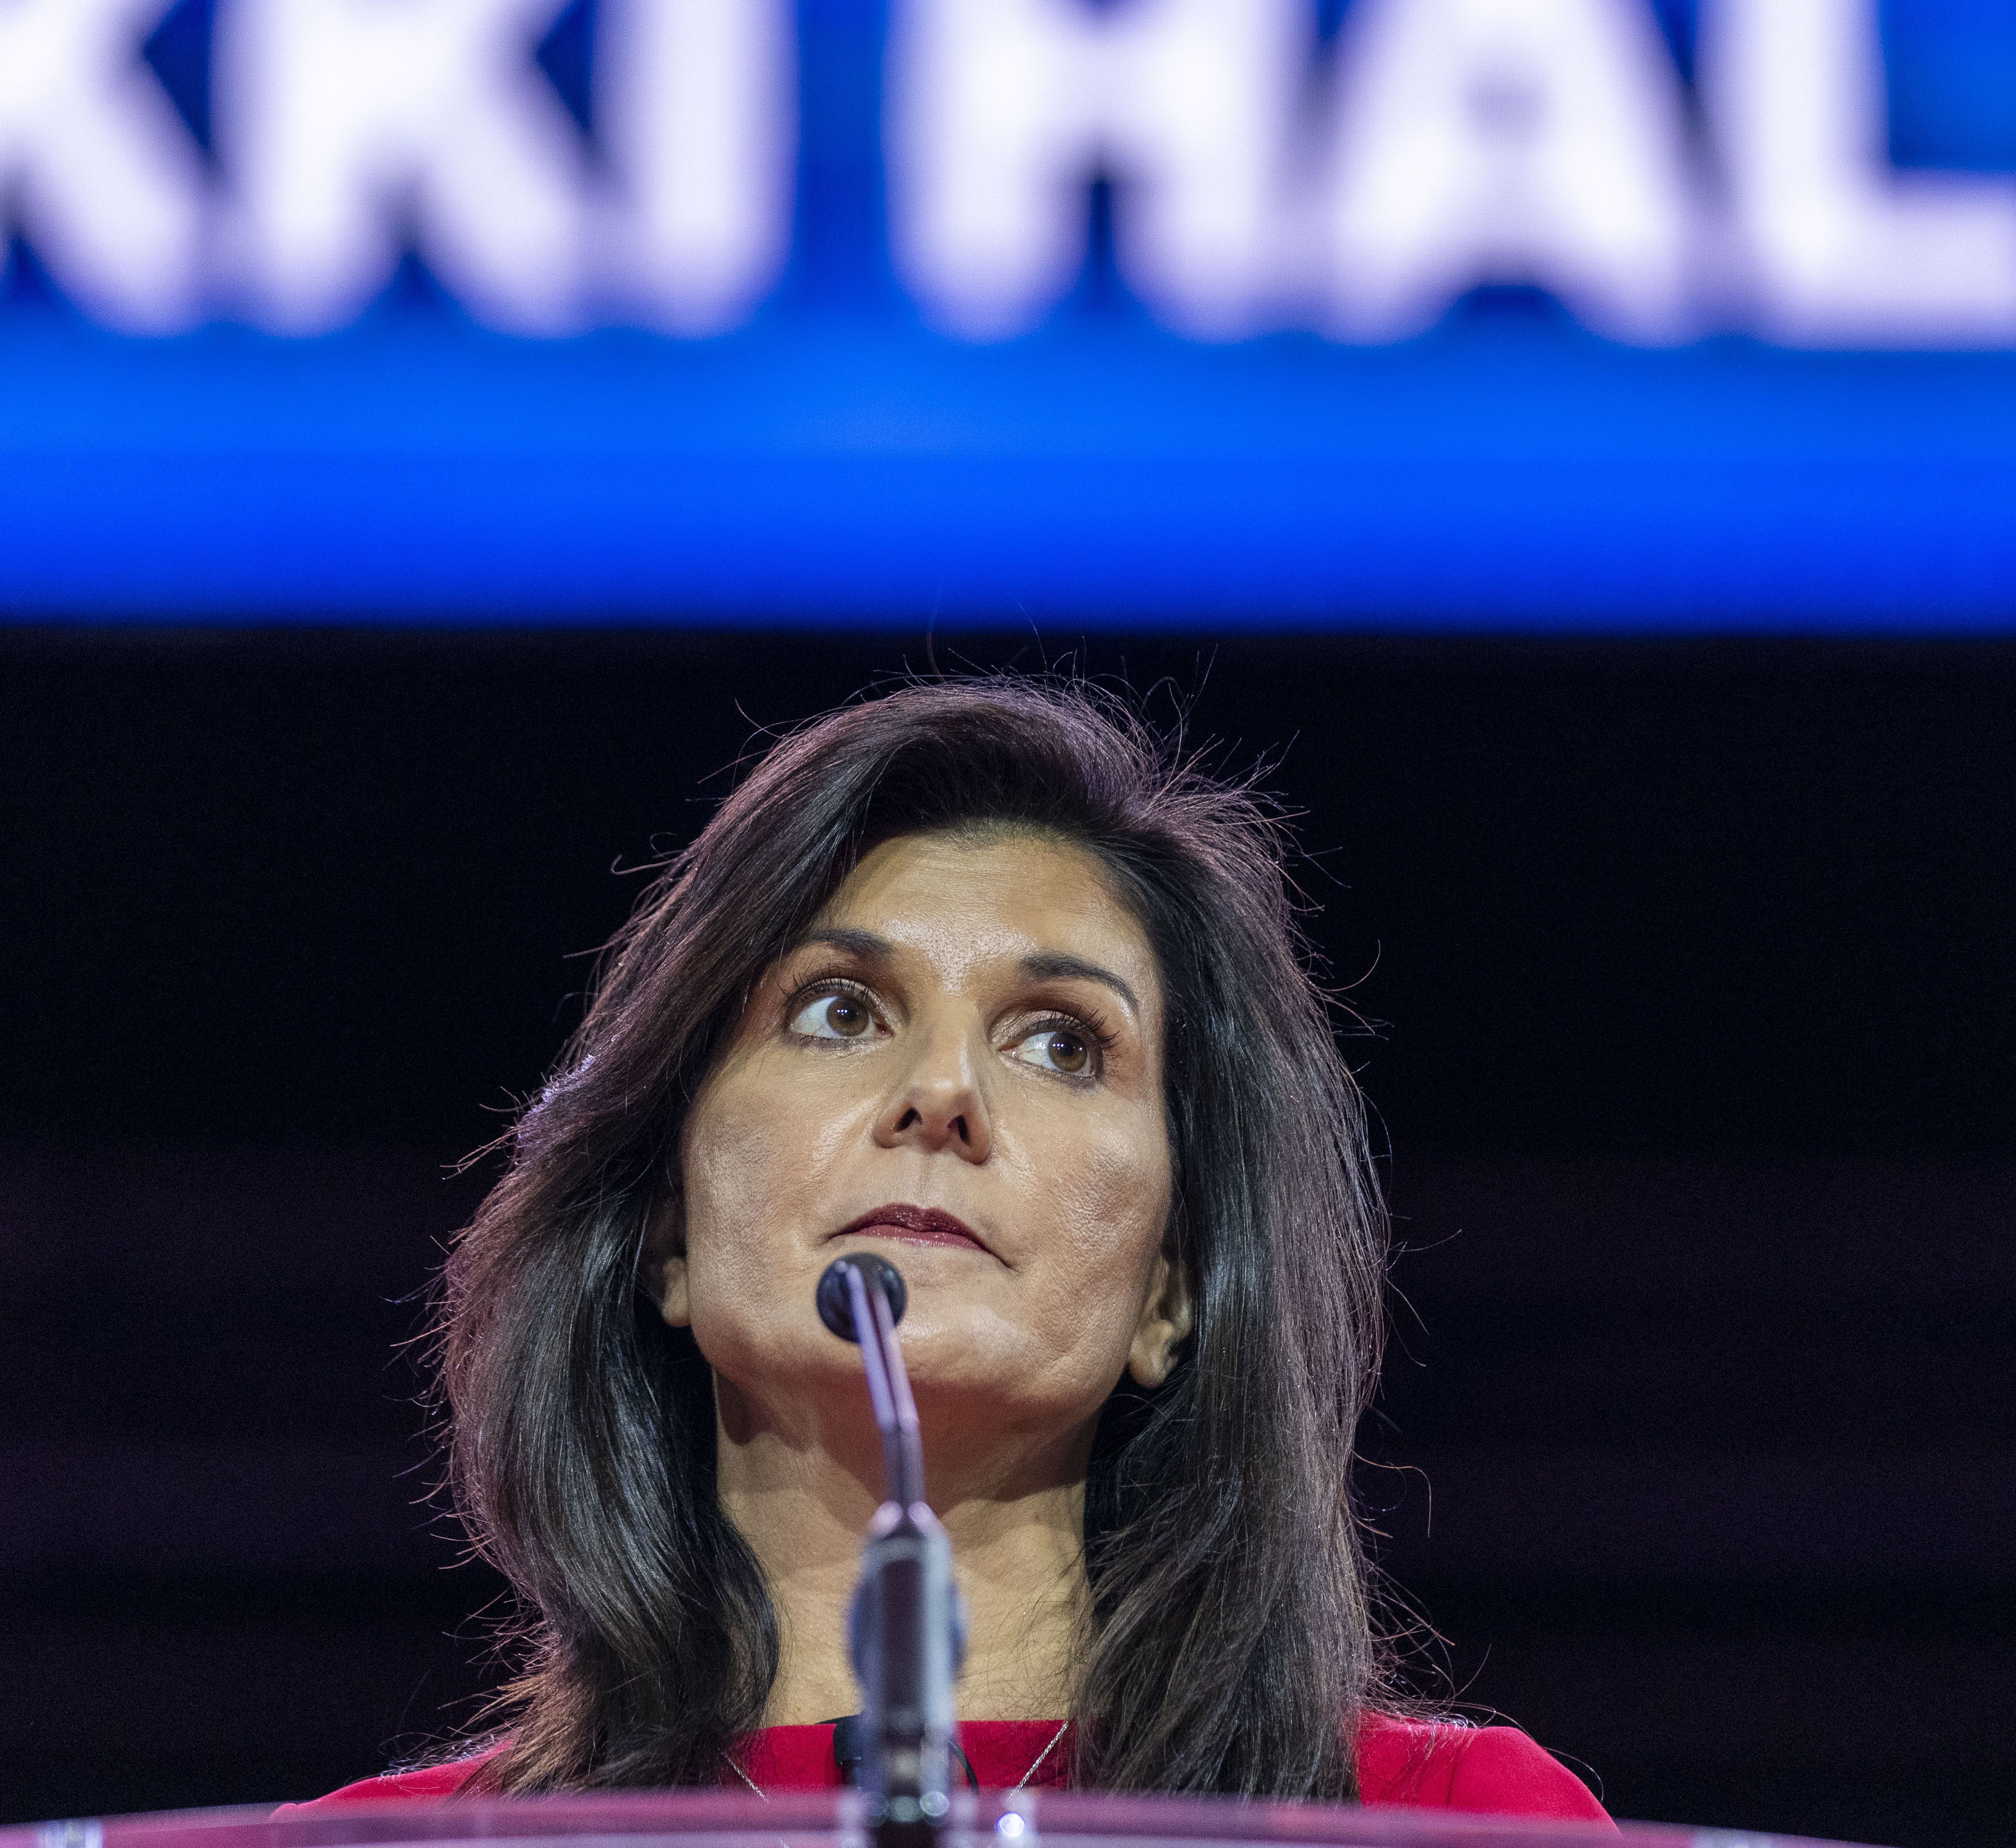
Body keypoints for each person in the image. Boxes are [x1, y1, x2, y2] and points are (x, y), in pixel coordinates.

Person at [303, 680, 1606, 1819]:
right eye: (839, 1010)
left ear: (1172, 1287)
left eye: (1061, 1042)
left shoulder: (1449, 1826)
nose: (944, 1093)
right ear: (666, 1231)